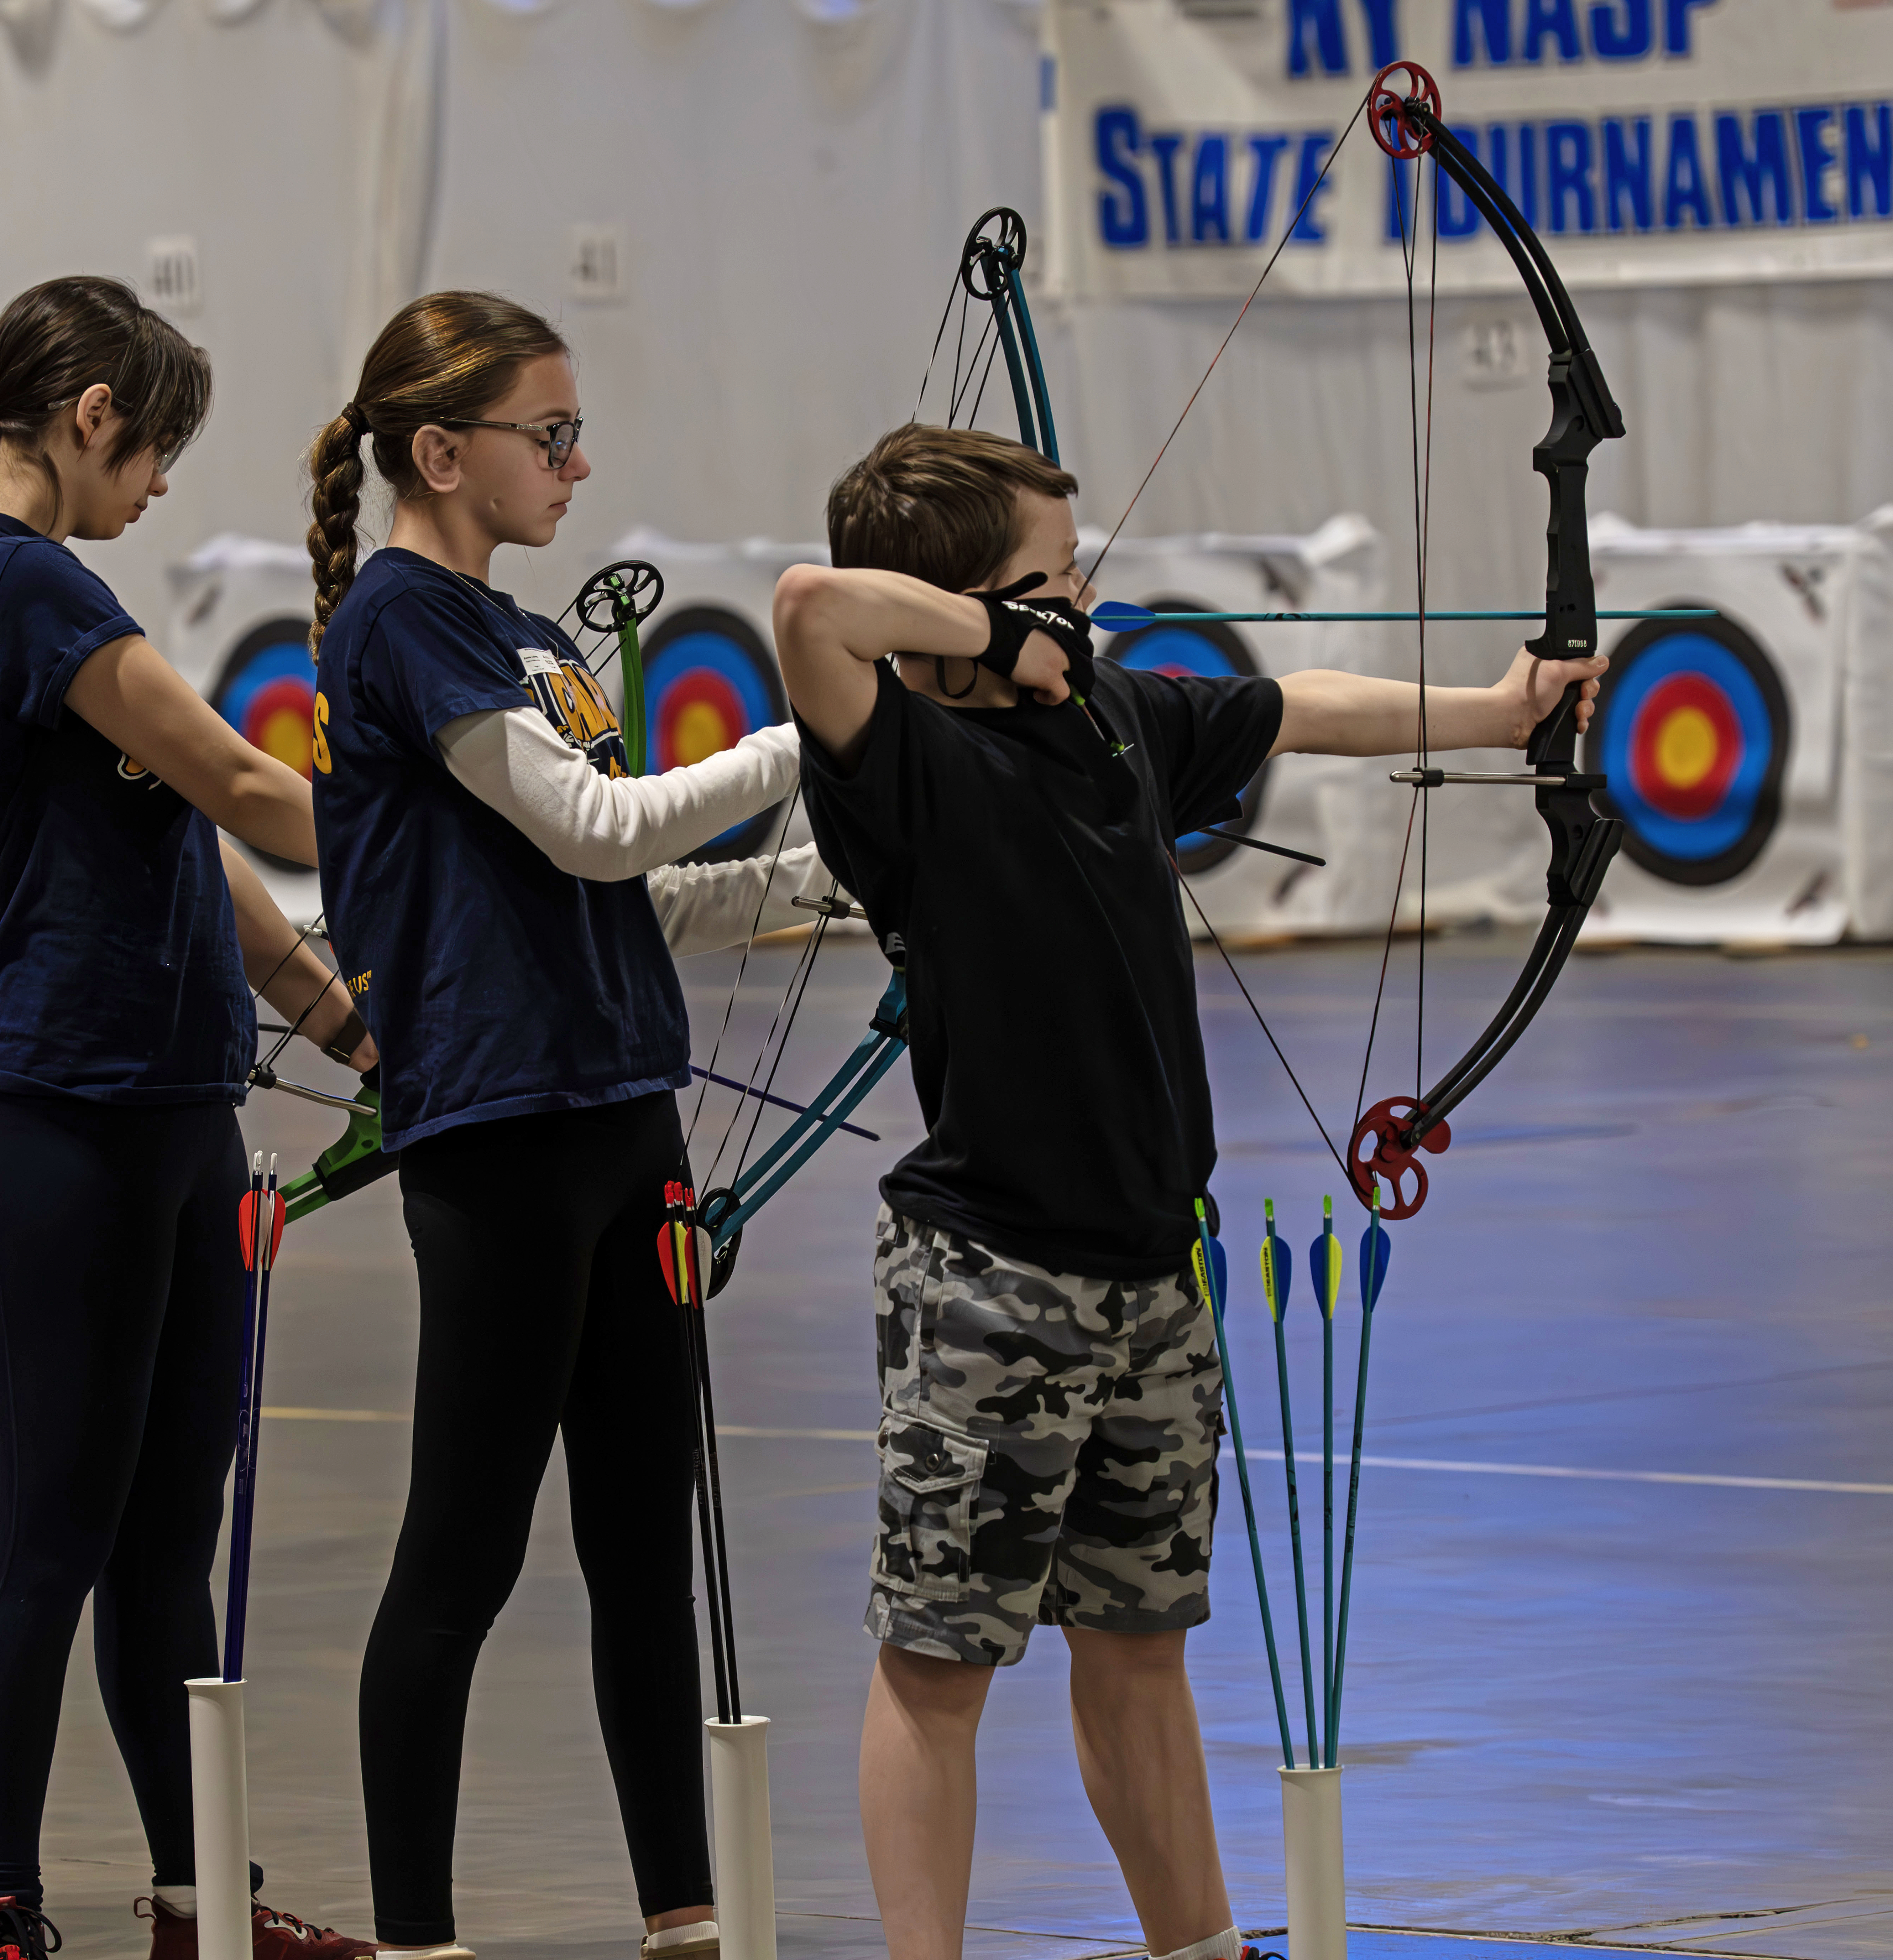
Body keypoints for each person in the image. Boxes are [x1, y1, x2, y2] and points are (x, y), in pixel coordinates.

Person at [772, 422, 1606, 1960]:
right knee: (940, 1659)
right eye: (1054, 576)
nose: (1083, 599)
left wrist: (1500, 712)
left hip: (1154, 1268)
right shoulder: (904, 767)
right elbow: (813, 607)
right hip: (989, 1277)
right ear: (971, 606)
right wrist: (997, 630)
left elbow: (1299, 708)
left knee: (1141, 1643)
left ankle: (1200, 1946)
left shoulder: (1109, 718)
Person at [304, 292, 835, 1960]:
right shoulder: (401, 621)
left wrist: (853, 868)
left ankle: (683, 1912)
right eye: (552, 435)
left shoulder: (523, 634)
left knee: (639, 1541)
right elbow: (601, 830)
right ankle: (417, 1934)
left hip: (623, 1119)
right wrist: (824, 734)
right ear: (442, 450)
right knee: (460, 1551)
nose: (579, 462)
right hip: (501, 1135)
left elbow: (622, 897)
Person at [0, 276, 381, 1960]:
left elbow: (175, 832)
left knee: (166, 1536)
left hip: (173, 1113)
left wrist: (335, 1011)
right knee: (49, 1526)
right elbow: (238, 779)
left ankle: (193, 1897)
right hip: (56, 1115)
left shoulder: (67, 598)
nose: (158, 486)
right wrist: (471, 844)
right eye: (155, 449)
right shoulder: (19, 581)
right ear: (92, 412)